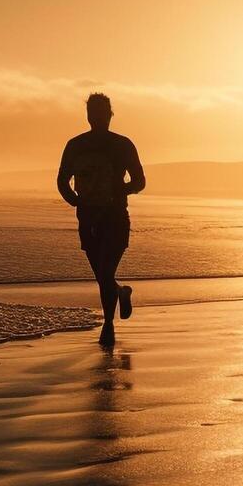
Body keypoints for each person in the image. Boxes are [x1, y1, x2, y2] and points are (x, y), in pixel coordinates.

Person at [57, 92, 145, 346]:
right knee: (101, 275)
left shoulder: (123, 145)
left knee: (106, 270)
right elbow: (62, 180)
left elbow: (140, 181)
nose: (97, 118)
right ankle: (120, 292)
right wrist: (75, 200)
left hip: (116, 216)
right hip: (87, 217)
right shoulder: (75, 145)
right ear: (88, 116)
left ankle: (108, 325)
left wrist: (120, 190)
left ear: (109, 115)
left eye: (102, 113)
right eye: (93, 113)